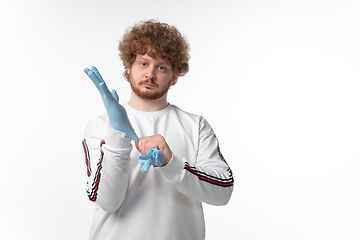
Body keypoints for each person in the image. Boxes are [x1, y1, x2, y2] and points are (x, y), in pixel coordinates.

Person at [82, 19, 234, 240]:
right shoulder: (99, 126)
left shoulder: (196, 126)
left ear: (173, 77)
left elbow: (223, 191)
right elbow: (107, 200)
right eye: (143, 63)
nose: (150, 74)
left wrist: (171, 163)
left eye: (161, 67)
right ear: (128, 68)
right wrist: (116, 133)